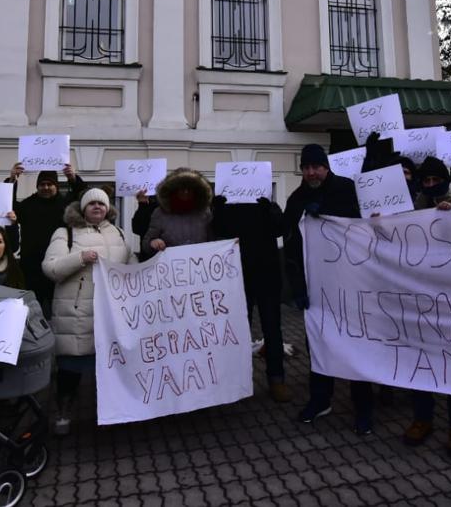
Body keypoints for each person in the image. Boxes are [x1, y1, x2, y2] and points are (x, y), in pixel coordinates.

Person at [284, 144, 374, 434]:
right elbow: (291, 247)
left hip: (350, 282)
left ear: (326, 167)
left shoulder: (346, 189)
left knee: (355, 345)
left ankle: (363, 408)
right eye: (306, 167)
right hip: (316, 287)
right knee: (319, 346)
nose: (311, 172)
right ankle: (321, 400)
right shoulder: (296, 199)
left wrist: (326, 212)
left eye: (316, 166)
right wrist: (297, 288)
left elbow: (361, 222)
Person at [41, 188, 137, 434]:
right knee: (71, 368)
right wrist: (80, 257)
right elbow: (50, 269)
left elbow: (130, 265)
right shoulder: (65, 234)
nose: (97, 207)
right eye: (92, 203)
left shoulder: (117, 232)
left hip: (110, 315)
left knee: (109, 369)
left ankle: (112, 413)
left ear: (108, 209)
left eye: (101, 204)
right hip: (77, 314)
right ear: (83, 208)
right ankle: (64, 413)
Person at [403, 155, 451, 458]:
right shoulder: (411, 212)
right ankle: (422, 419)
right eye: (426, 181)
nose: (431, 186)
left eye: (436, 180)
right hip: (421, 301)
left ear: (445, 181)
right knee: (423, 364)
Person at [212, 194, 291, 403]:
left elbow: (280, 229)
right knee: (238, 331)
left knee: (272, 330)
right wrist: (218, 208)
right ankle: (237, 381)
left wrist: (271, 210)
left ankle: (277, 380)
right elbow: (217, 231)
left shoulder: (265, 202)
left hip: (267, 274)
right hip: (238, 277)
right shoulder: (228, 204)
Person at [7, 164, 88, 317]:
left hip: (59, 267)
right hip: (31, 267)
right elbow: (8, 205)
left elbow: (83, 196)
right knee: (29, 312)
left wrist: (72, 179)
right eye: (42, 184)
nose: (46, 187)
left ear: (56, 186)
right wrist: (12, 180)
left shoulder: (66, 206)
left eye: (50, 184)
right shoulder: (28, 205)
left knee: (59, 311)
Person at [142, 168, 213, 255]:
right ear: (174, 190)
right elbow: (146, 244)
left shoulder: (204, 212)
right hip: (172, 265)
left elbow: (214, 240)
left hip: (200, 264)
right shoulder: (160, 213)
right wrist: (153, 242)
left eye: (189, 189)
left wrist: (232, 243)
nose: (186, 192)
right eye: (182, 189)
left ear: (196, 191)